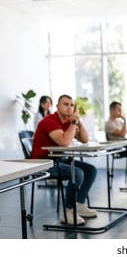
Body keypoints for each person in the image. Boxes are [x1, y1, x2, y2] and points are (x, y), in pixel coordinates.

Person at [31, 94, 98, 226]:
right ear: (57, 106)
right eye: (66, 104)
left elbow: (84, 139)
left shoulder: (68, 122)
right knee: (77, 173)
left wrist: (78, 121)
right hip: (43, 163)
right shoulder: (49, 121)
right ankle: (67, 211)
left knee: (91, 170)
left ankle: (78, 204)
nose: (69, 107)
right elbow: (65, 142)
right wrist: (73, 123)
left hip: (59, 160)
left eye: (71, 105)